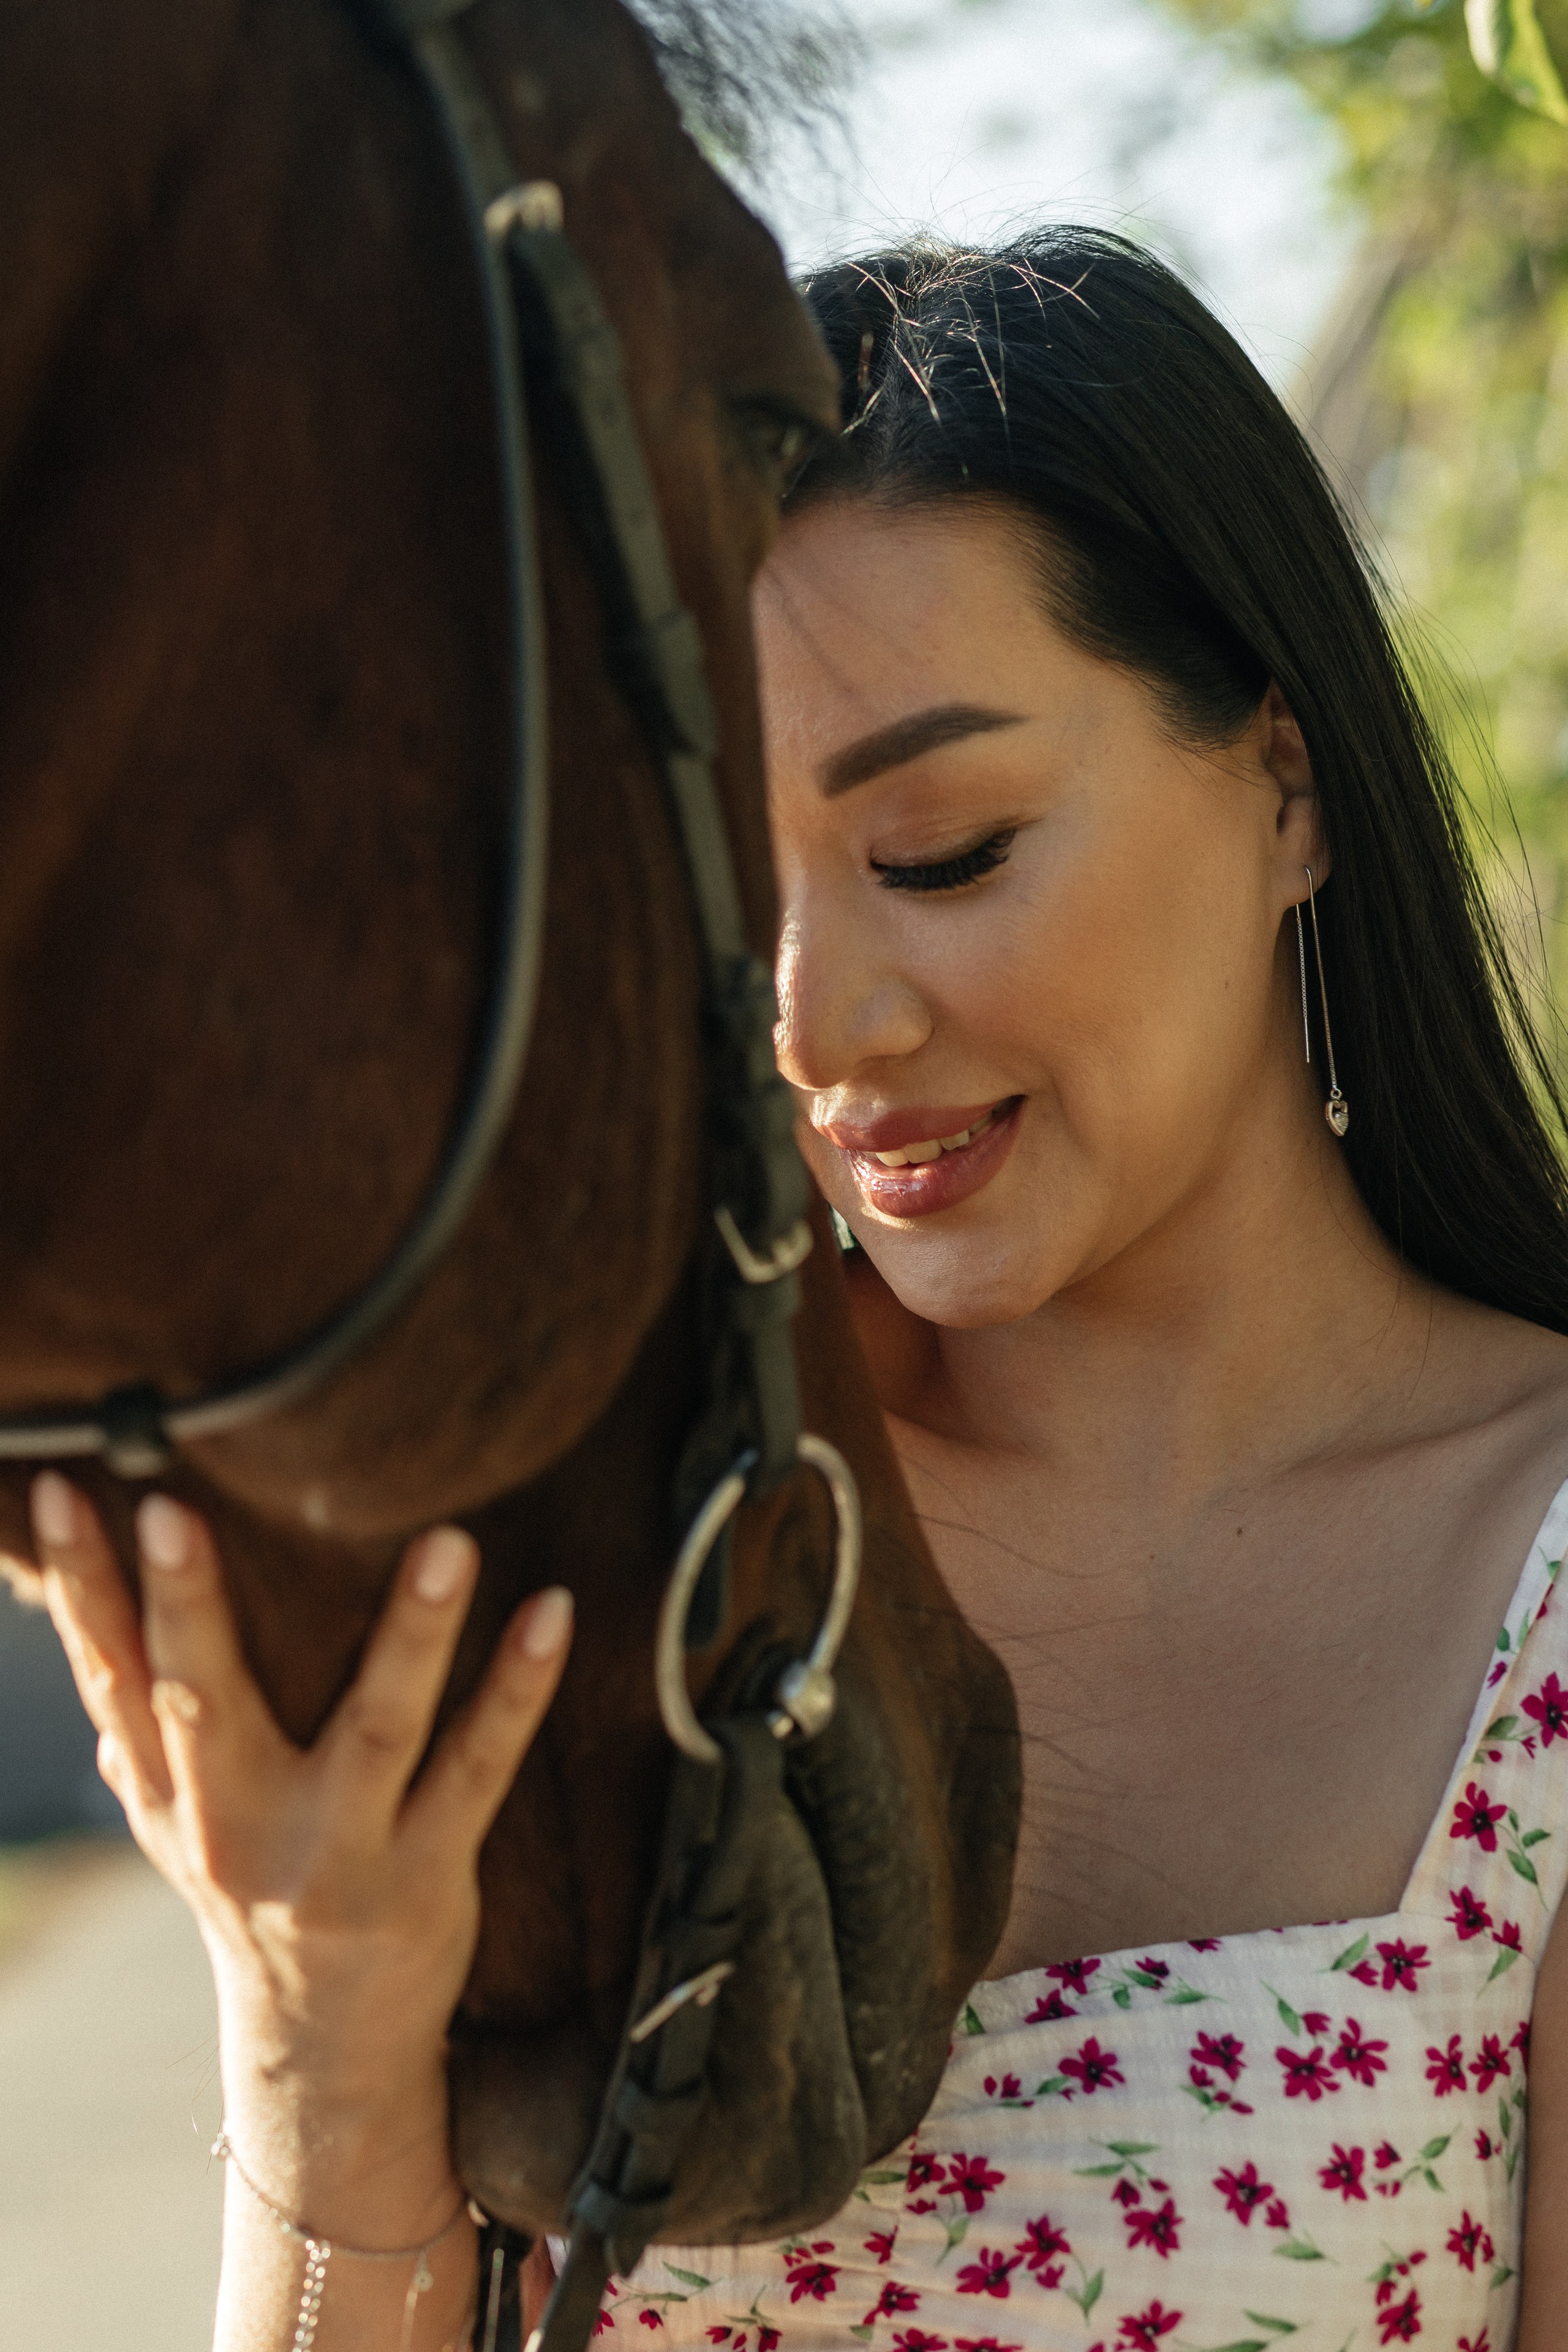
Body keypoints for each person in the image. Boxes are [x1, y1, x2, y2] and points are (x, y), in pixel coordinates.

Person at [34, 226, 1568, 2347]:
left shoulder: (1535, 1585)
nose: (815, 1023)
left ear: (1286, 784)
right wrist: (319, 2035)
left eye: (939, 854)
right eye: (726, 904)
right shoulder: (627, 1519)